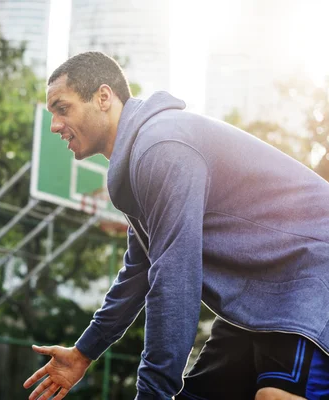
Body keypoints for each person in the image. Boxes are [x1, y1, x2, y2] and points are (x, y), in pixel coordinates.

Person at [23, 51, 329, 400]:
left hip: (310, 274)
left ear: (103, 97)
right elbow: (141, 270)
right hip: (263, 297)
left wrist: (152, 393)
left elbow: (174, 278)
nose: (54, 125)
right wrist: (84, 352)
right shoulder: (138, 159)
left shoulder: (161, 146)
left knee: (276, 396)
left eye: (63, 108)